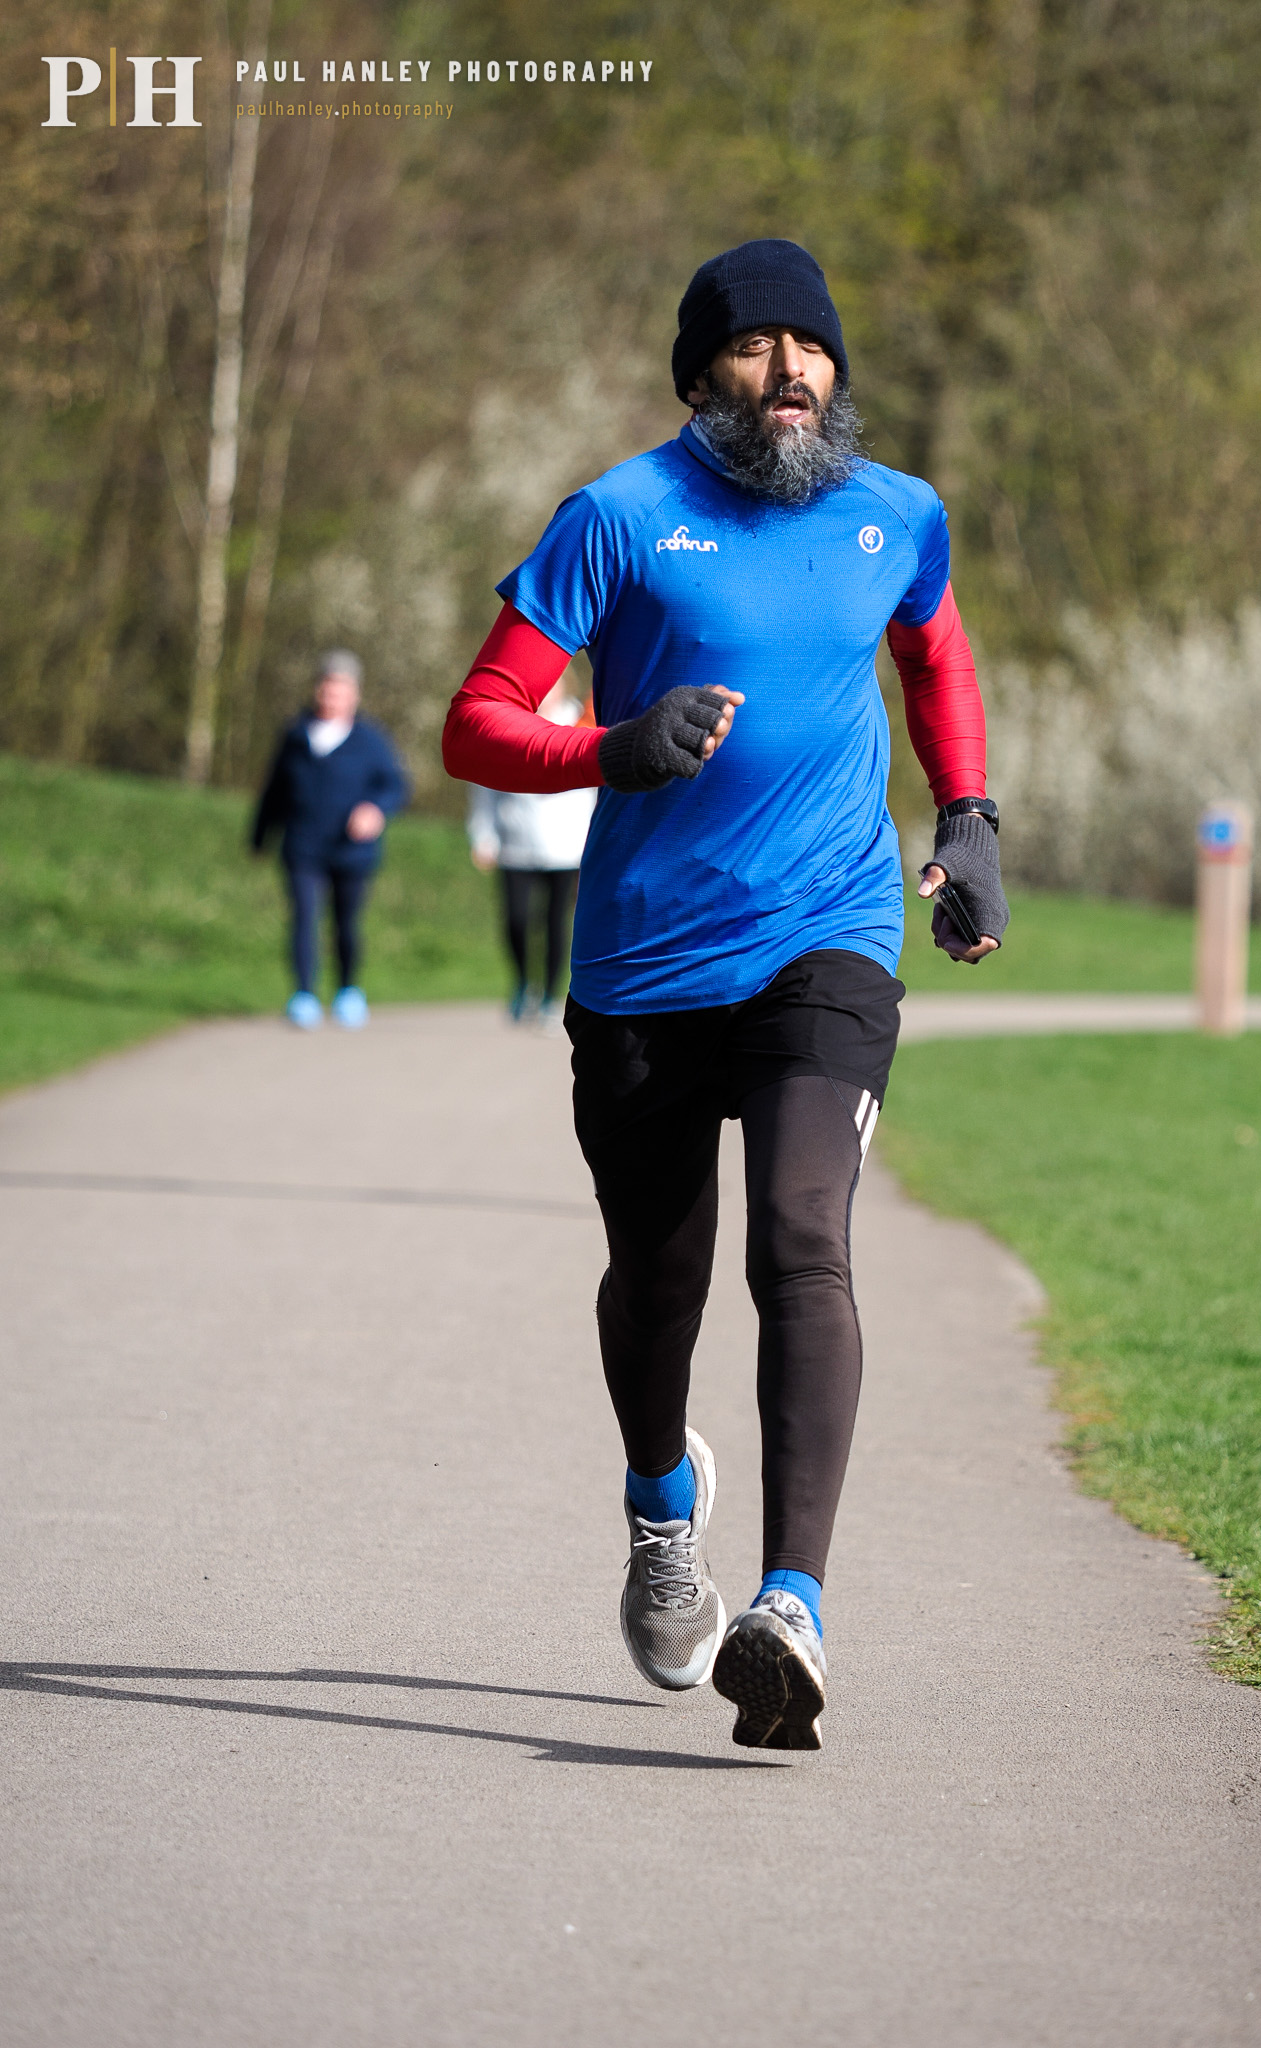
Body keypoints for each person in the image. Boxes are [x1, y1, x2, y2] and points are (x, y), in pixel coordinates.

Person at [442, 239, 1007, 1751]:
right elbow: (478, 724)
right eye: (754, 350)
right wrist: (612, 748)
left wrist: (968, 821)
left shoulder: (900, 517)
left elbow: (936, 652)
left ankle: (793, 1605)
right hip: (643, 962)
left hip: (829, 933)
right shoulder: (618, 517)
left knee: (801, 1239)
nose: (789, 374)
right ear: (702, 376)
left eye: (809, 349)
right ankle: (659, 1500)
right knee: (660, 1279)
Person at [252, 650, 410, 1030]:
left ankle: (348, 990)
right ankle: (304, 995)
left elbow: (396, 785)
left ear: (354, 695)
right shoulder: (294, 735)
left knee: (345, 923)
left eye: (340, 691)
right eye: (326, 689)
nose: (331, 697)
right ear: (316, 690)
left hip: (351, 852)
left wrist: (374, 808)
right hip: (303, 846)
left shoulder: (371, 740)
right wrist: (259, 836)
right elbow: (273, 790)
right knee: (304, 919)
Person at [466, 685, 595, 1028]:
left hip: (567, 846)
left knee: (556, 924)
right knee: (517, 920)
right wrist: (483, 835)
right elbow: (483, 782)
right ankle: (523, 982)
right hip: (515, 844)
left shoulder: (581, 719)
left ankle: (552, 996)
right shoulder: (509, 721)